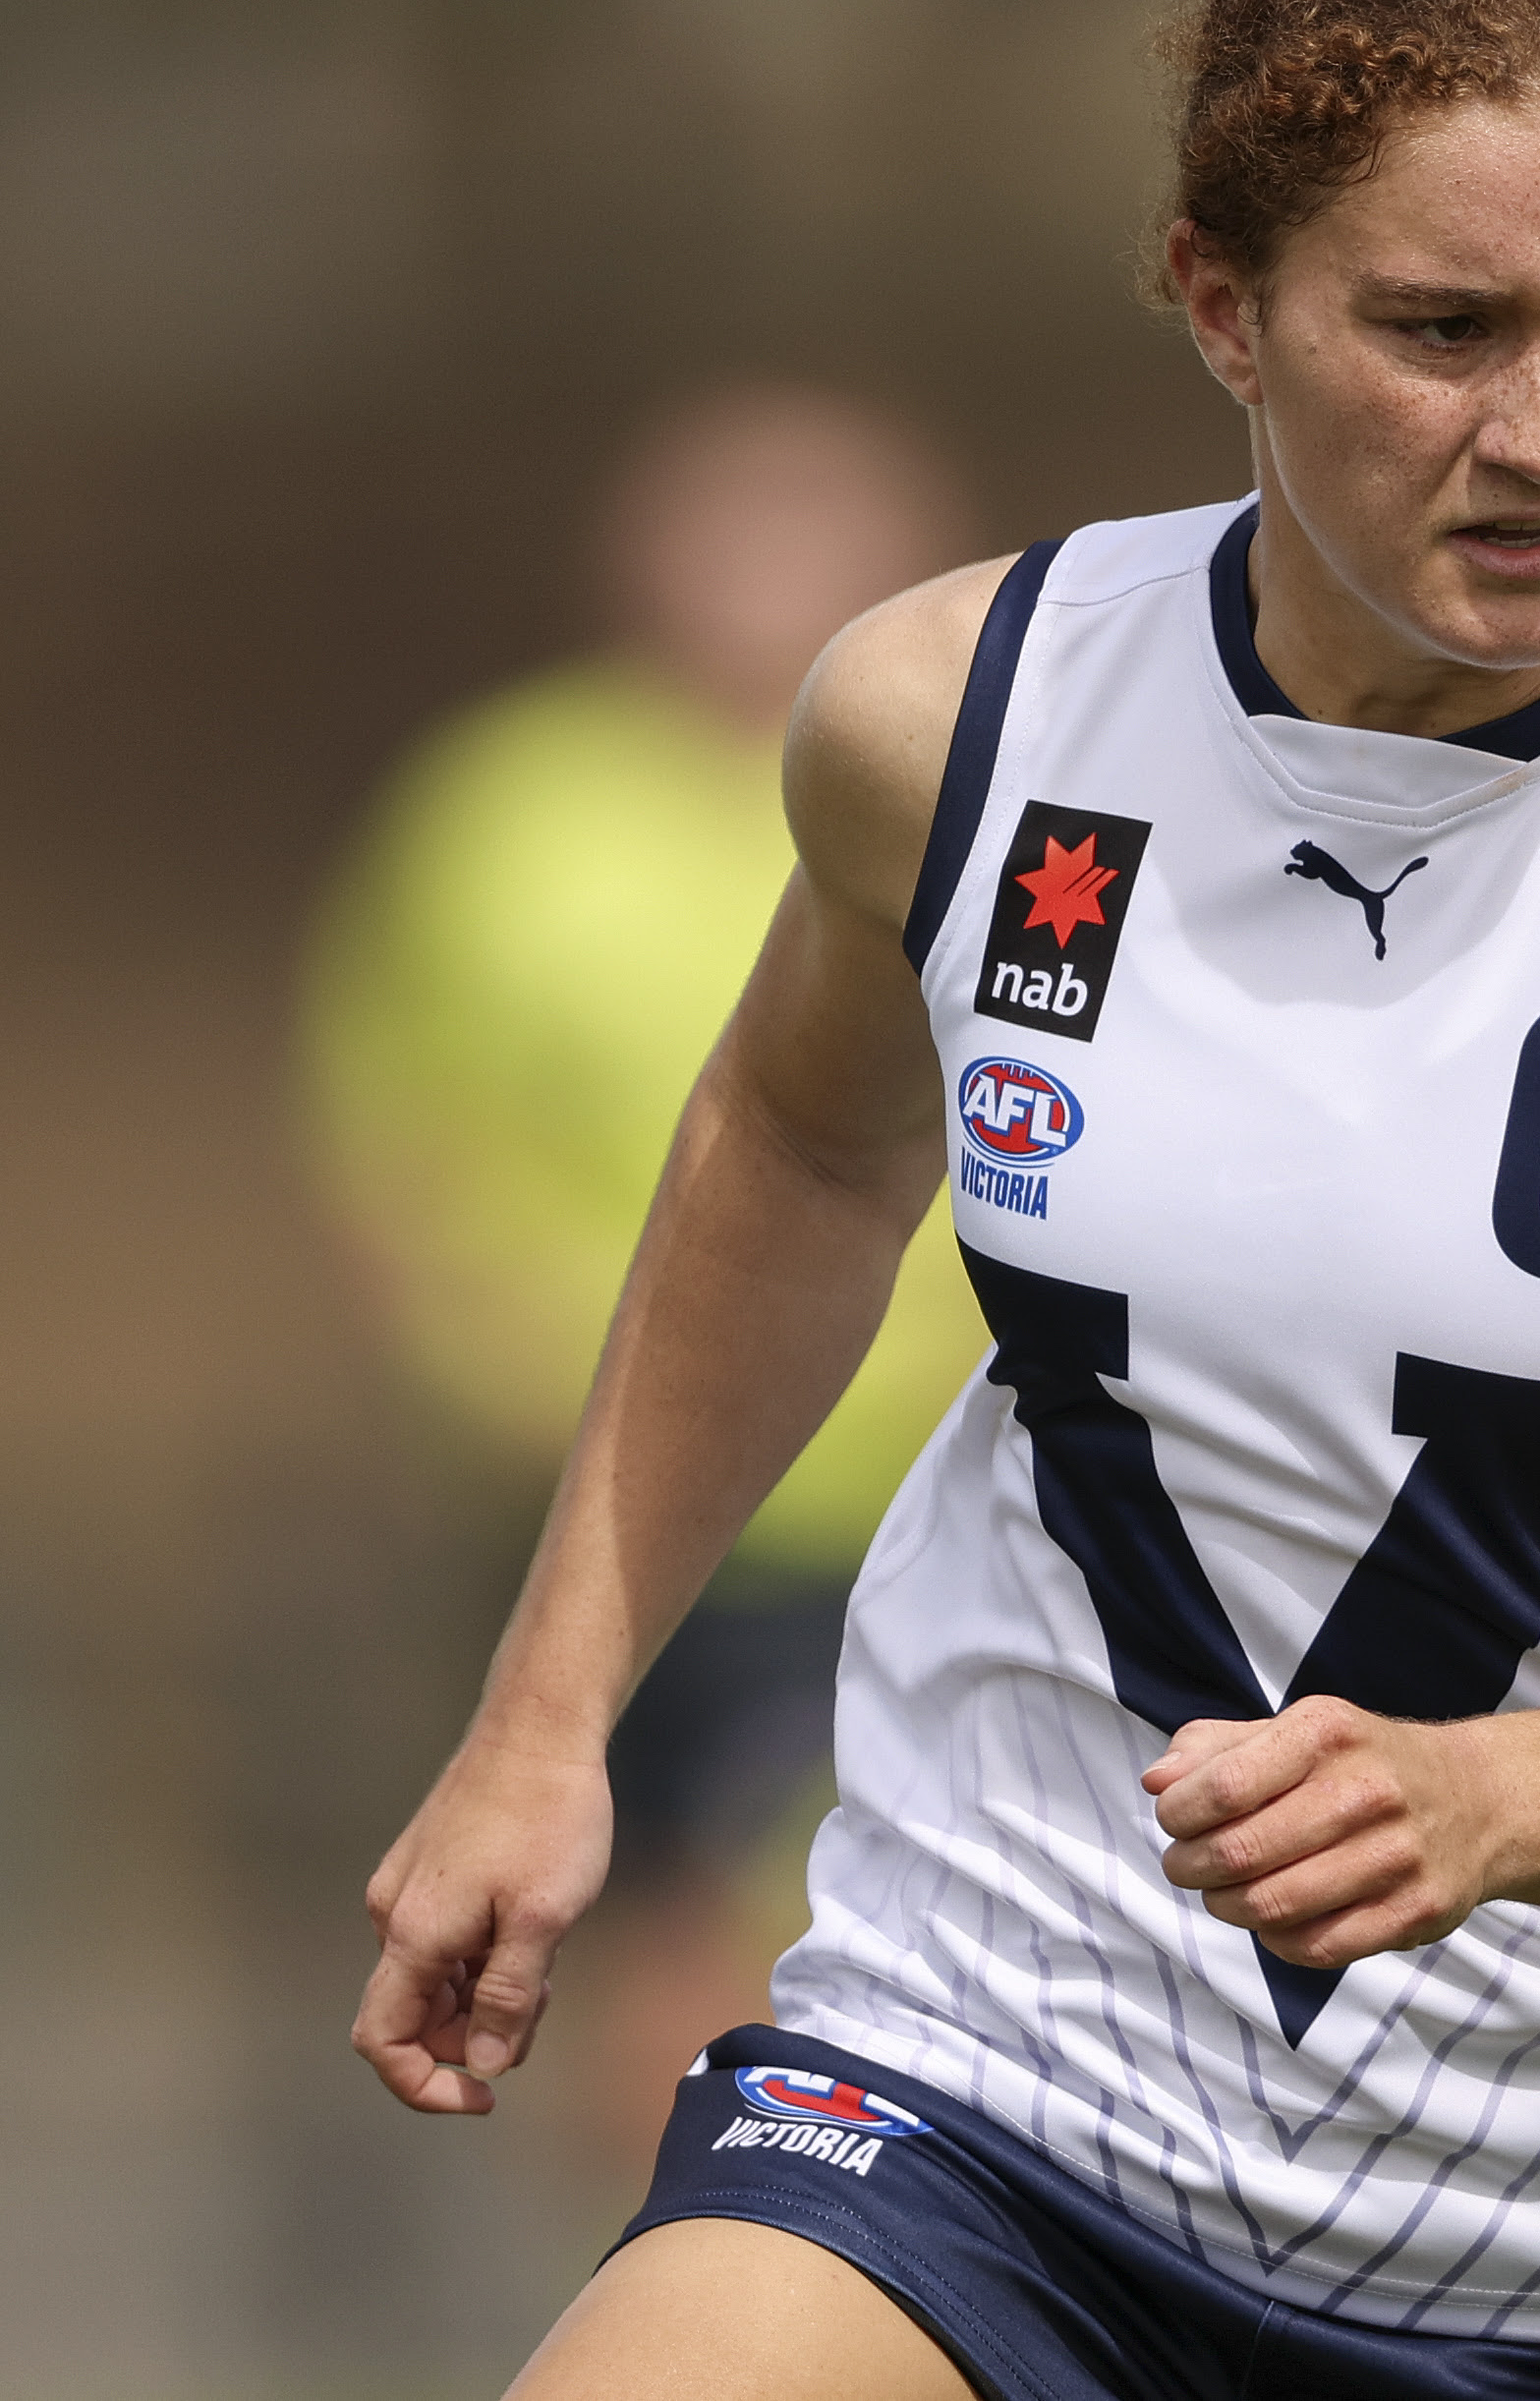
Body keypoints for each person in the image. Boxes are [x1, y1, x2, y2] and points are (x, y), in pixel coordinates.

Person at [351, 0, 1540, 2401]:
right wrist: (539, 1726)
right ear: (1223, 305)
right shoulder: (960, 722)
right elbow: (807, 1144)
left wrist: (1504, 1803)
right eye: (1439, 327)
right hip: (981, 2103)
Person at [306, 383, 993, 2179]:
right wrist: (508, 1367)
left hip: (963, 1462)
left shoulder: (968, 782)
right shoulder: (507, 809)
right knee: (710, 1915)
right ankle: (687, 2258)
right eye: (732, 527)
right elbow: (402, 1130)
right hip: (662, 1473)